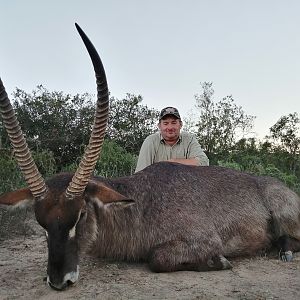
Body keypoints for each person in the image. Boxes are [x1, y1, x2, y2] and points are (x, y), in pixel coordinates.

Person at [135, 106, 209, 172]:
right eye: (165, 123)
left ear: (180, 124)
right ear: (159, 126)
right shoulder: (150, 141)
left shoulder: (189, 139)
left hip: (185, 185)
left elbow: (204, 162)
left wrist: (172, 163)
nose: (170, 128)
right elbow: (140, 174)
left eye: (173, 123)